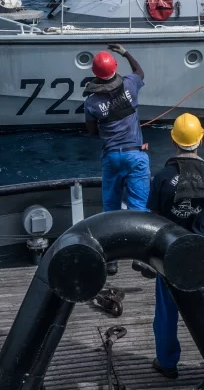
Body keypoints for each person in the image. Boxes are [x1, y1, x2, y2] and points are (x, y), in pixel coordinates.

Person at [147, 113, 204, 380]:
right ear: (200, 139)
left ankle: (167, 364)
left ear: (173, 140)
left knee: (167, 313)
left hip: (170, 255)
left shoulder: (160, 178)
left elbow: (154, 219)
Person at [84, 43, 149, 274]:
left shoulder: (91, 102)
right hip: (135, 155)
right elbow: (140, 72)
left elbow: (91, 132)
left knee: (110, 208)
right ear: (115, 68)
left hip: (112, 157)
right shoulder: (130, 85)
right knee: (138, 208)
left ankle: (111, 260)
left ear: (94, 73)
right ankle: (140, 258)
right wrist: (125, 52)